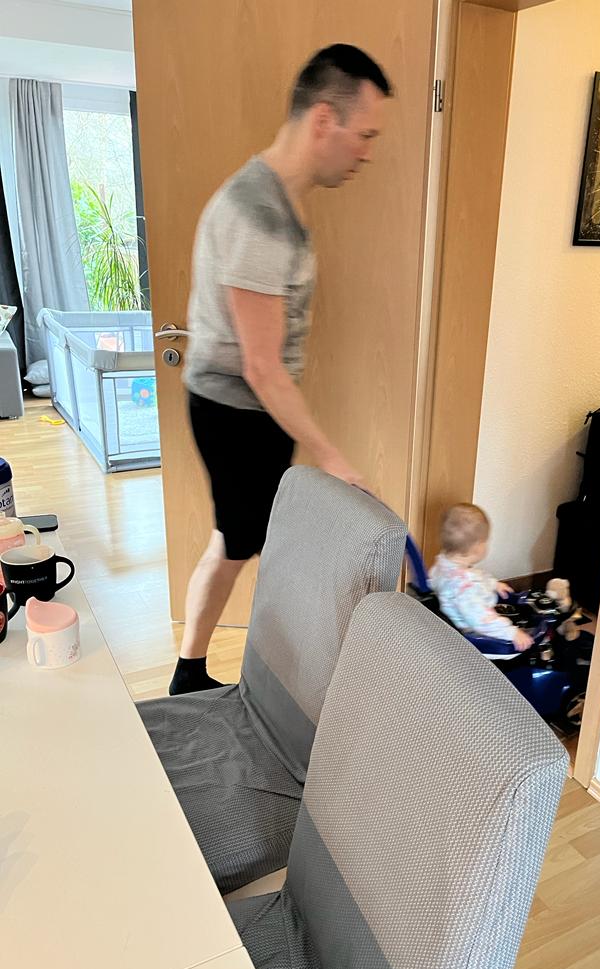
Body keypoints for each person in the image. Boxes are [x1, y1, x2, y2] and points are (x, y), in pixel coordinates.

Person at [170, 44, 392, 696]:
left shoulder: (278, 199)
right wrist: (333, 457)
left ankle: (195, 671)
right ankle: (205, 676)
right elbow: (262, 367)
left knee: (241, 544)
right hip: (237, 411)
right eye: (365, 134)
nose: (368, 152)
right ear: (324, 120)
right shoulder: (260, 213)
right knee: (248, 547)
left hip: (245, 410)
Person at [429, 503, 533, 652]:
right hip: (475, 634)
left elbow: (476, 576)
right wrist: (512, 633)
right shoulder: (465, 588)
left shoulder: (444, 563)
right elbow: (482, 621)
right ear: (477, 547)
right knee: (525, 637)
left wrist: (493, 584)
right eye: (486, 540)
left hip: (462, 613)